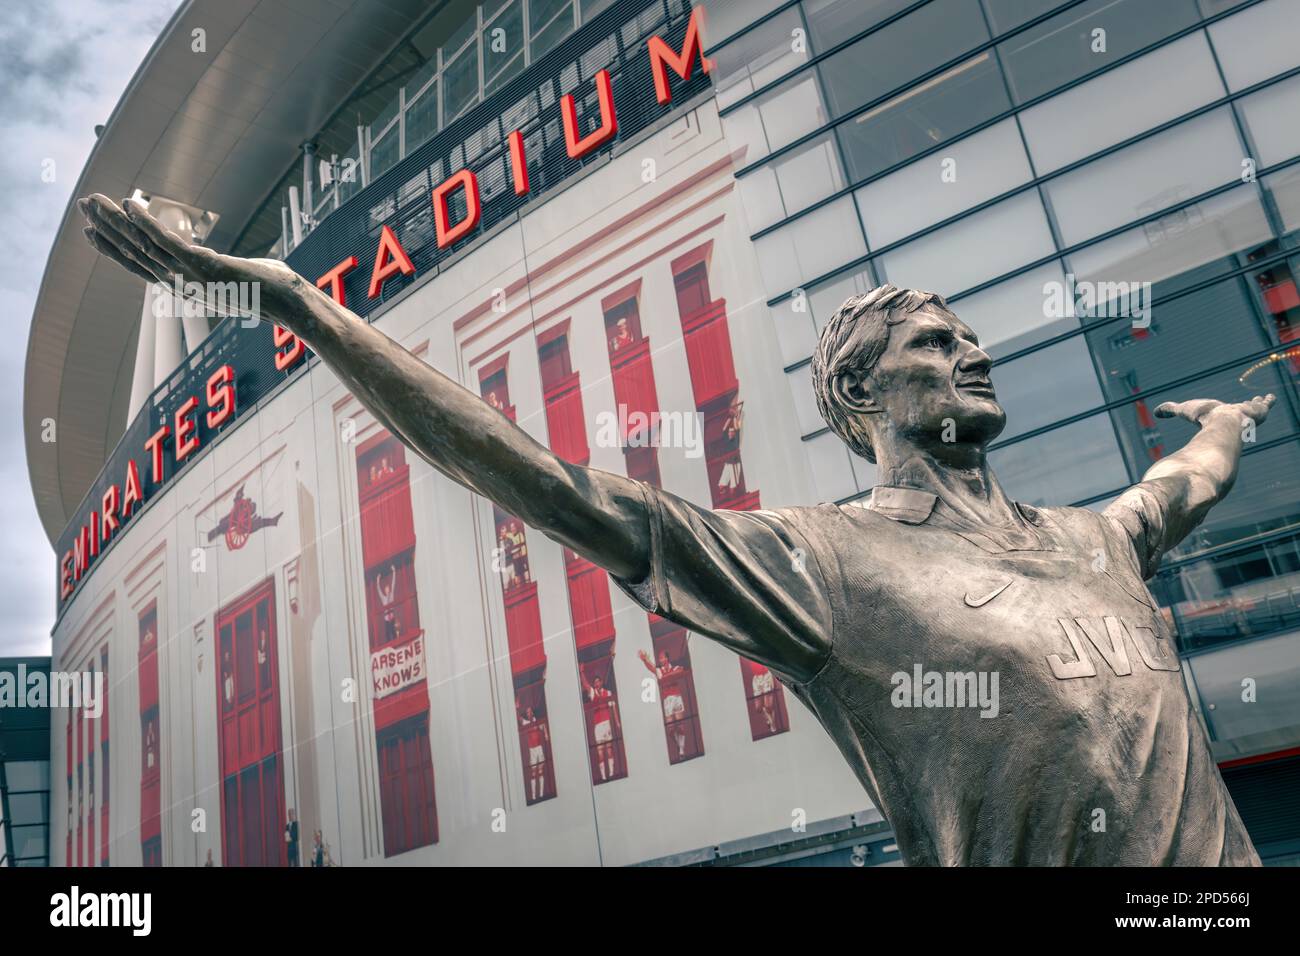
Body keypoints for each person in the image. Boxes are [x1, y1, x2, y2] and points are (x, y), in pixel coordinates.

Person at [81, 197, 1270, 866]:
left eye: (967, 338)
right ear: (860, 399)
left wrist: (1224, 422)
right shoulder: (822, 563)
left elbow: (1188, 479)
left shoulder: (1091, 541)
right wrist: (296, 302)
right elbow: (544, 482)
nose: (969, 352)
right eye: (930, 344)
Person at [639, 647, 690, 758]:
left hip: (676, 697)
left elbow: (680, 670)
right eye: (659, 658)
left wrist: (666, 676)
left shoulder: (674, 667)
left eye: (662, 657)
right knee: (671, 728)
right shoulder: (660, 671)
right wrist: (644, 660)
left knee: (680, 725)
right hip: (667, 700)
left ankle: (682, 750)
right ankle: (679, 745)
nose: (660, 659)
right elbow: (651, 668)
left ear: (667, 658)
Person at [580, 668, 620, 782]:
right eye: (595, 682)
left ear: (601, 682)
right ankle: (603, 776)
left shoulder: (608, 693)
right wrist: (582, 672)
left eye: (598, 681)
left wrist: (617, 722)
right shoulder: (593, 693)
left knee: (609, 749)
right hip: (598, 726)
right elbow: (586, 684)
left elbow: (613, 708)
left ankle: (611, 774)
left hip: (606, 724)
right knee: (600, 752)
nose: (596, 683)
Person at [517, 703, 550, 800]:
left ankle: (541, 795)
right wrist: (516, 708)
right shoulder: (526, 723)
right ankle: (534, 796)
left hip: (539, 748)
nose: (529, 713)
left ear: (532, 712)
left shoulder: (537, 720)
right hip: (532, 750)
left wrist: (546, 733)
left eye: (530, 711)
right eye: (527, 712)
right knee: (533, 774)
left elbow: (543, 725)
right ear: (526, 714)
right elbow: (518, 717)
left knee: (540, 772)